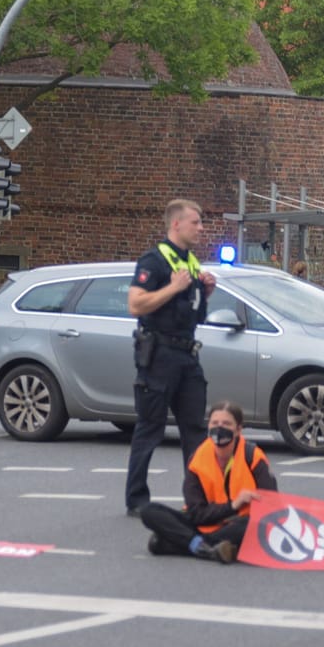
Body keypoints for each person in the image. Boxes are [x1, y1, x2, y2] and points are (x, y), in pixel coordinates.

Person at [125, 199, 216, 515]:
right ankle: (137, 500)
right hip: (159, 355)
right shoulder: (155, 261)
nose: (201, 228)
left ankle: (197, 499)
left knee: (195, 430)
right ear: (176, 224)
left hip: (187, 355)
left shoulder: (191, 263)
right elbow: (136, 305)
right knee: (150, 428)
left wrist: (204, 294)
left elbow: (190, 314)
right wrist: (173, 288)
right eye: (196, 222)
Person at [138, 400, 276, 564]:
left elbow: (271, 508)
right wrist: (233, 505)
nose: (220, 428)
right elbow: (196, 513)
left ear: (238, 430)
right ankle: (210, 548)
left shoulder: (253, 457)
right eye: (215, 423)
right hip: (204, 522)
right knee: (149, 511)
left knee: (254, 526)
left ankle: (187, 544)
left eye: (226, 423)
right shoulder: (198, 459)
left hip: (237, 526)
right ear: (208, 426)